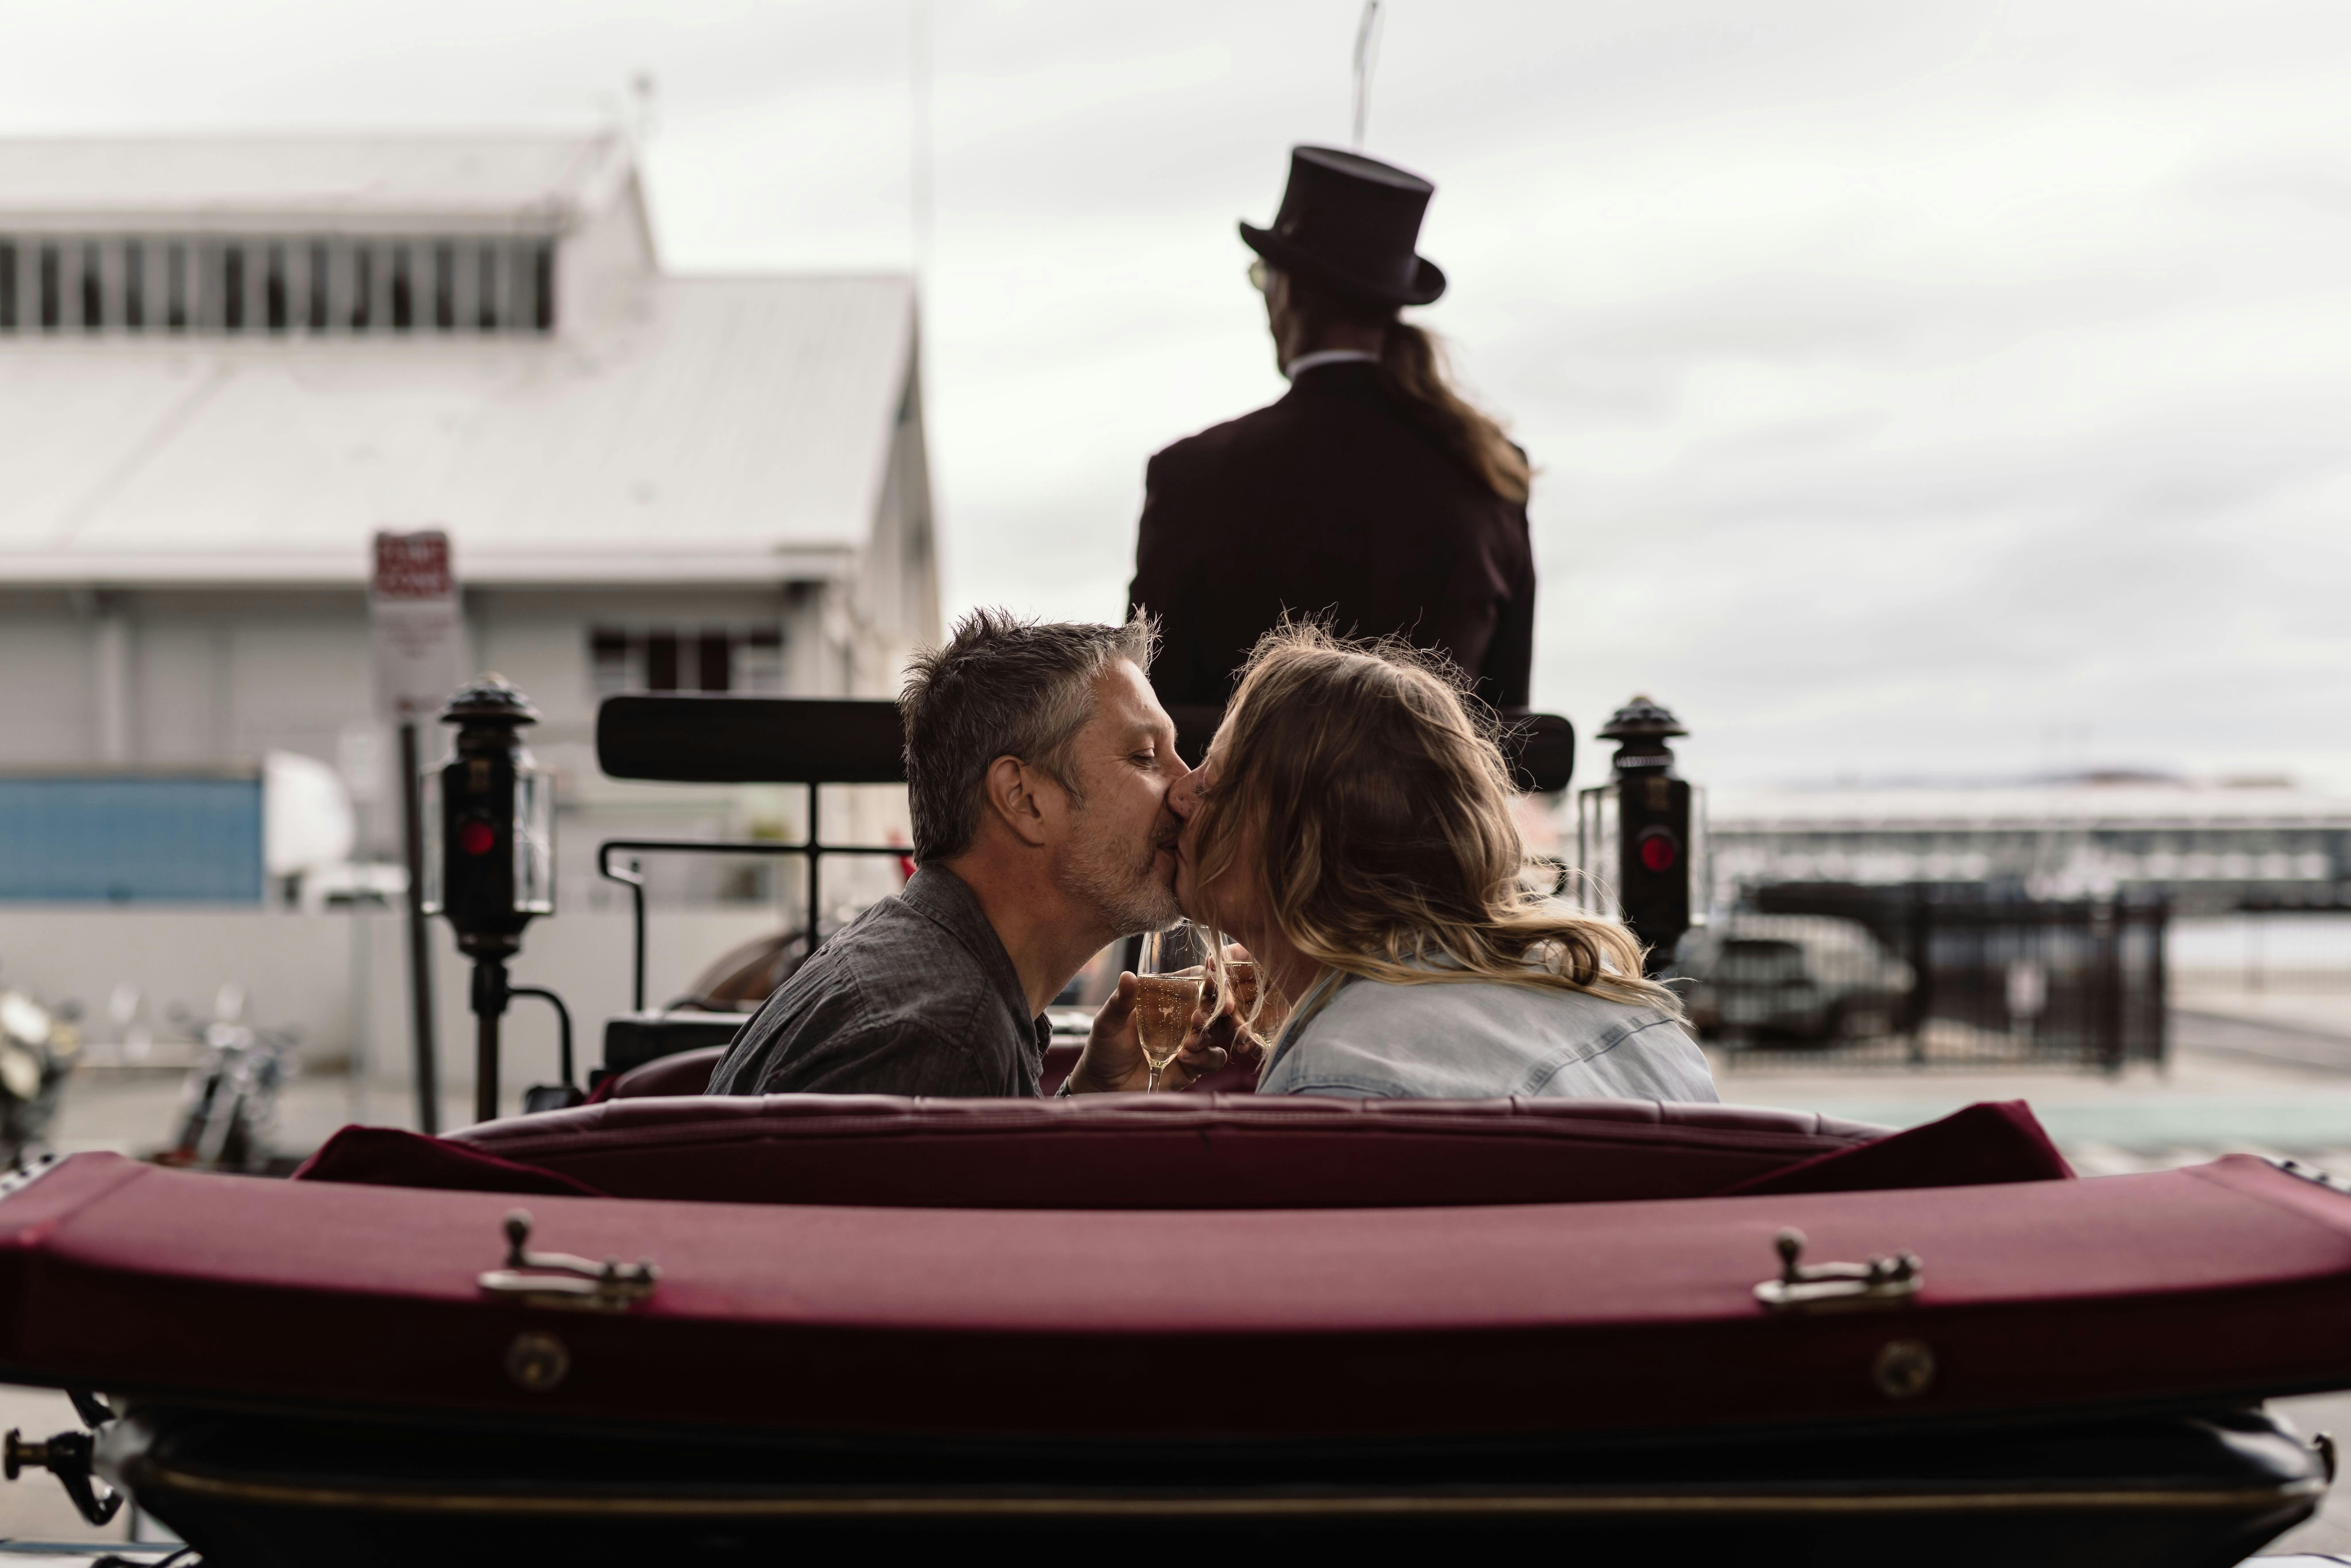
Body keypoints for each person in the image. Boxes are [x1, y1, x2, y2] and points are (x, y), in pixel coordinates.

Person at [1163, 625, 1716, 1103]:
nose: (1180, 796)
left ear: (1297, 842)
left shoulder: (1340, 1078)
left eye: (1213, 784)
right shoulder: (1637, 1017)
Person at [705, 610, 1229, 1099]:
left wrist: (1090, 1100)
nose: (1187, 790)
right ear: (1023, 799)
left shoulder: (925, 986)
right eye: (1145, 756)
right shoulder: (940, 1039)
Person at [1128, 145, 1537, 717]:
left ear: (1287, 292)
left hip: (1245, 781)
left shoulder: (1193, 473)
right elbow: (1507, 721)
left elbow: (1152, 708)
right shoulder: (1488, 468)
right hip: (1438, 782)